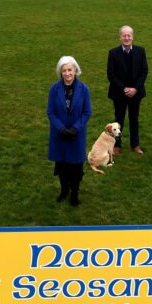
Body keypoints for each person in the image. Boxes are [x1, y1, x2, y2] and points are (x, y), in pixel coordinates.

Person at [47, 56, 92, 206]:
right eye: (64, 70)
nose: (67, 73)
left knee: (76, 167)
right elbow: (50, 112)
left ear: (75, 70)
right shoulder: (54, 89)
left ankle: (75, 193)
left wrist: (75, 128)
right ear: (60, 72)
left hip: (76, 136)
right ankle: (64, 190)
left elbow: (87, 112)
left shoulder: (84, 89)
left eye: (69, 70)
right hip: (59, 135)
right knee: (62, 167)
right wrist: (60, 128)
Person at [107, 25, 149, 155]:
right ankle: (117, 145)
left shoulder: (140, 51)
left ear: (133, 37)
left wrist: (136, 88)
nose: (126, 38)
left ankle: (135, 145)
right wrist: (124, 89)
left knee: (134, 119)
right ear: (120, 37)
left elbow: (144, 71)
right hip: (119, 93)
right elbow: (111, 75)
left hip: (136, 93)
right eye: (124, 35)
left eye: (129, 35)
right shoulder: (113, 53)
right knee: (118, 120)